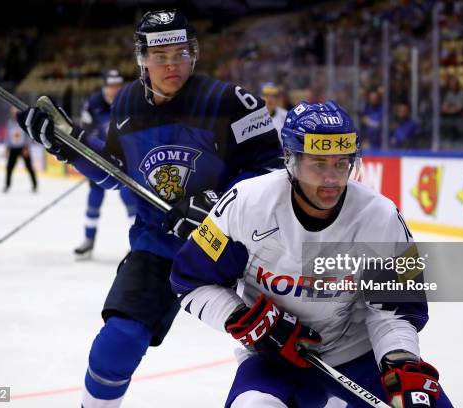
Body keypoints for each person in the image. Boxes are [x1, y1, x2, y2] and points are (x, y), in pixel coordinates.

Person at [16, 9, 281, 407]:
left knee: (282, 355)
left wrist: (217, 204)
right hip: (162, 245)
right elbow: (116, 174)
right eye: (160, 56)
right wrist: (67, 145)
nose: (172, 64)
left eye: (181, 52)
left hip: (238, 249)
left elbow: (274, 170)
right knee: (116, 343)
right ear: (142, 59)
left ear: (194, 53)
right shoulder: (125, 105)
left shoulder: (231, 102)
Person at [170, 101, 453, 407]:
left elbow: (393, 310)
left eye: (342, 163)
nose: (332, 178)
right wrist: (245, 320)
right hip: (273, 358)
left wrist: (401, 363)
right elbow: (191, 281)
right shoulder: (248, 204)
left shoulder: (380, 217)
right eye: (319, 163)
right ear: (291, 160)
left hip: (358, 353)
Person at [74, 70, 137, 259]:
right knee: (94, 198)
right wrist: (92, 157)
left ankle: (137, 245)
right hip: (99, 159)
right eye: (111, 87)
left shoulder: (130, 102)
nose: (115, 91)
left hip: (125, 161)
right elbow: (86, 134)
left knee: (130, 199)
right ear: (104, 87)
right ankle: (88, 239)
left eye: (118, 86)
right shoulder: (93, 104)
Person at [4, 106, 38, 193]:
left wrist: (27, 147)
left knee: (29, 167)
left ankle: (35, 185)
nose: (14, 114)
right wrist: (7, 148)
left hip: (23, 148)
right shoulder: (9, 123)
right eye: (13, 113)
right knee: (9, 168)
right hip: (13, 149)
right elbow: (7, 137)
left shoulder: (23, 122)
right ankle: (7, 185)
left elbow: (28, 135)